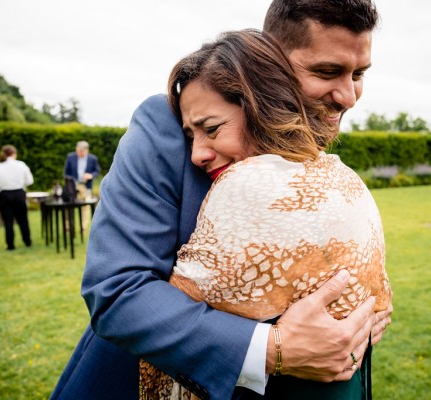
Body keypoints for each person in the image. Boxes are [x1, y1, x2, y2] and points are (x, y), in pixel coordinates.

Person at [51, 1, 392, 399]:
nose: (349, 96)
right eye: (326, 71)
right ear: (270, 62)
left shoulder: (314, 147)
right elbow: (117, 289)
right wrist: (271, 350)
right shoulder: (168, 124)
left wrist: (359, 316)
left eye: (359, 74)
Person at [139, 29, 391, 400]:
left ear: (261, 106)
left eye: (211, 129)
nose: (196, 154)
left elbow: (170, 322)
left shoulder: (246, 183)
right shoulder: (345, 178)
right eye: (190, 136)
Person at [0, 144, 34, 250]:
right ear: (14, 154)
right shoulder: (21, 165)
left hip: (5, 196)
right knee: (23, 220)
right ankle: (27, 241)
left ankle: (10, 245)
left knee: (8, 221)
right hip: (19, 194)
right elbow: (30, 181)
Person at [63, 140, 100, 228]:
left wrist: (90, 175)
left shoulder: (93, 159)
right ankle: (68, 227)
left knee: (85, 207)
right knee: (68, 206)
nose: (79, 152)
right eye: (78, 150)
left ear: (87, 150)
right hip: (73, 187)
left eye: (81, 151)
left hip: (86, 186)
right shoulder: (70, 157)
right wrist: (72, 180)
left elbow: (97, 171)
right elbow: (66, 173)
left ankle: (83, 227)